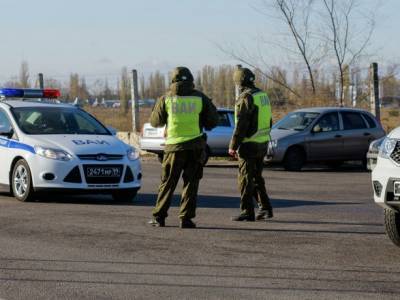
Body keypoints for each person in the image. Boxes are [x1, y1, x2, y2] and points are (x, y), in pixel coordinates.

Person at [149, 66, 218, 228]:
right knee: (191, 184)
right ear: (191, 79)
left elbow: (155, 122)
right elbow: (213, 121)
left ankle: (159, 217)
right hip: (195, 147)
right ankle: (186, 219)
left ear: (173, 80)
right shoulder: (200, 98)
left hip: (173, 148)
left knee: (167, 183)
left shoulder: (166, 99)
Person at [229, 67, 273, 221]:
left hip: (249, 144)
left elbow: (241, 125)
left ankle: (247, 212)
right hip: (262, 142)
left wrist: (233, 146)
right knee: (257, 178)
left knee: (245, 179)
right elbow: (269, 120)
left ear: (239, 82)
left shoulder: (246, 98)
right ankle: (265, 209)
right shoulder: (263, 95)